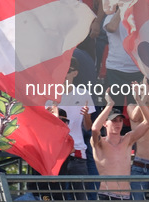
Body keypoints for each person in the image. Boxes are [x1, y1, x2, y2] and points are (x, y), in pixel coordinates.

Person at [92, 88, 149, 200]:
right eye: (114, 120)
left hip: (125, 196)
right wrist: (109, 105)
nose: (118, 123)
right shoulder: (99, 142)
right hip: (104, 195)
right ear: (105, 123)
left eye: (120, 120)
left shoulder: (127, 139)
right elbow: (95, 128)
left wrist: (139, 101)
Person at [55, 57, 95, 200]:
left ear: (75, 73)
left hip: (77, 151)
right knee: (57, 195)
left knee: (80, 196)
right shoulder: (49, 94)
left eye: (68, 70)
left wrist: (87, 116)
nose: (64, 73)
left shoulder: (83, 93)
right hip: (56, 152)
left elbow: (88, 127)